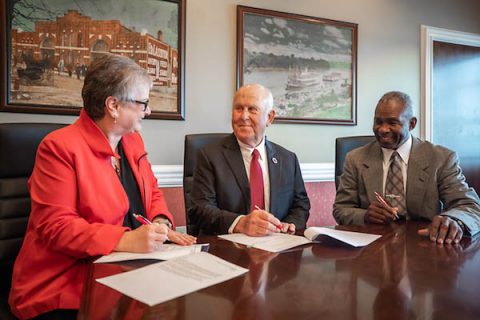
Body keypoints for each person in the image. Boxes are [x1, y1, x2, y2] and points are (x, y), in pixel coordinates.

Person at [9, 54, 196, 320]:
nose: (149, 111)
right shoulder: (59, 147)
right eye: (143, 103)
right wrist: (125, 238)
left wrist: (161, 220)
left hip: (127, 271)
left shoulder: (132, 141)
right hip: (66, 281)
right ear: (113, 105)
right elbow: (56, 226)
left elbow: (152, 191)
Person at [334, 91, 480, 244]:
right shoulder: (355, 158)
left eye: (392, 122)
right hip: (373, 246)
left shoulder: (441, 158)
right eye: (378, 122)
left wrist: (453, 220)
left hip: (425, 246)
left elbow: (469, 205)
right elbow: (341, 209)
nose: (383, 129)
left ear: (412, 124)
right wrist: (365, 216)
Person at [189, 83, 310, 236]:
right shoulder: (210, 155)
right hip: (228, 248)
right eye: (238, 109)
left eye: (252, 109)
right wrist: (240, 223)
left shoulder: (288, 159)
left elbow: (300, 205)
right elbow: (199, 209)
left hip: (277, 245)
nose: (243, 116)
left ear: (270, 117)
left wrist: (288, 225)